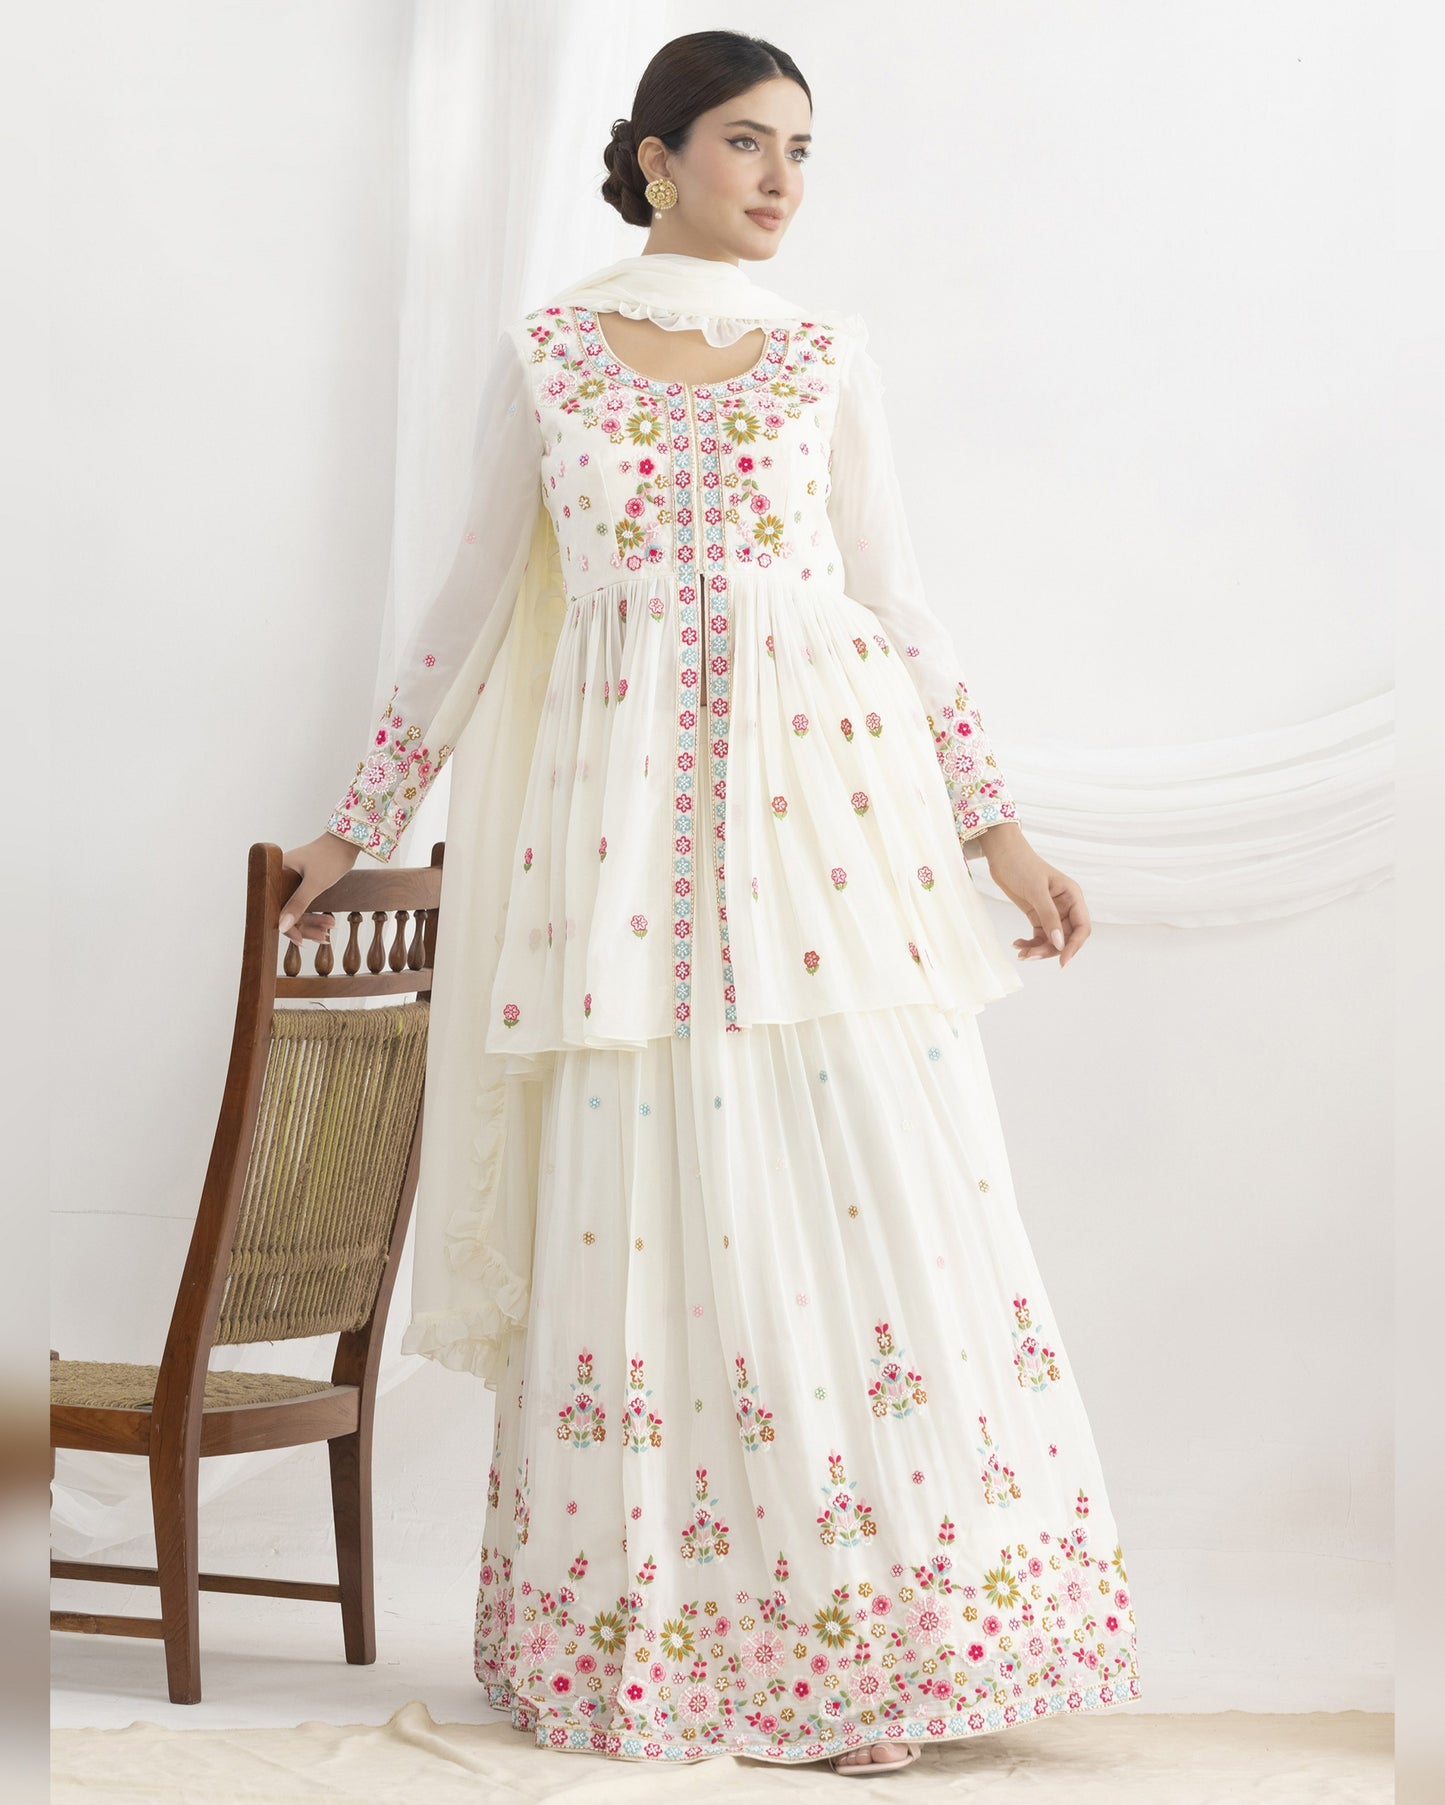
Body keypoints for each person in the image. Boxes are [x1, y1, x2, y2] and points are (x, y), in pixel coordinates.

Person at [281, 27, 1137, 1774]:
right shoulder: (549, 359)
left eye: (802, 152)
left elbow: (904, 611)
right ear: (657, 158)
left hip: (819, 855)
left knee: (852, 1200)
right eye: (747, 144)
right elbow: (460, 613)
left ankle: (896, 1636)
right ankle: (664, 1631)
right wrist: (350, 821)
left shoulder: (823, 356)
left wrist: (1001, 839)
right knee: (644, 1218)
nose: (781, 183)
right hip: (609, 870)